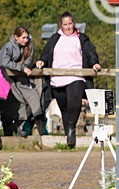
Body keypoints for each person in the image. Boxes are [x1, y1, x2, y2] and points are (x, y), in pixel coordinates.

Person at [34, 12, 101, 148]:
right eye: (65, 24)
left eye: (70, 23)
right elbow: (46, 53)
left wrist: (94, 63)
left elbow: (90, 52)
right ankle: (69, 139)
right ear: (61, 25)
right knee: (64, 108)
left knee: (74, 103)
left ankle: (71, 130)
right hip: (57, 78)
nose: (68, 27)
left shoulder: (81, 38)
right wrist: (41, 61)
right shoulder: (55, 38)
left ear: (74, 23)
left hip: (76, 76)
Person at [0, 26, 43, 137]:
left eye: (27, 37)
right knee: (18, 101)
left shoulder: (29, 46)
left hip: (21, 77)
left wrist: (28, 66)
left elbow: (29, 62)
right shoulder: (8, 46)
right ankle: (14, 126)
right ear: (16, 37)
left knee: (33, 97)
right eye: (23, 38)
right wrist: (21, 68)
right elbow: (4, 62)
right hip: (6, 78)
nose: (25, 40)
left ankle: (23, 122)